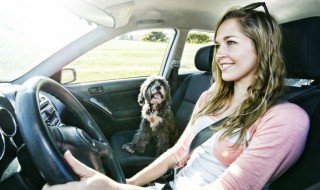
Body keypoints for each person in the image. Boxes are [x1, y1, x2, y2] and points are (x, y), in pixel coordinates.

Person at [43, 3, 309, 190]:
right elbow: (177, 152)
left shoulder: (286, 119)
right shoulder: (210, 97)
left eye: (231, 42)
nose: (219, 54)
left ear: (262, 49)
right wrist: (127, 185)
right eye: (217, 44)